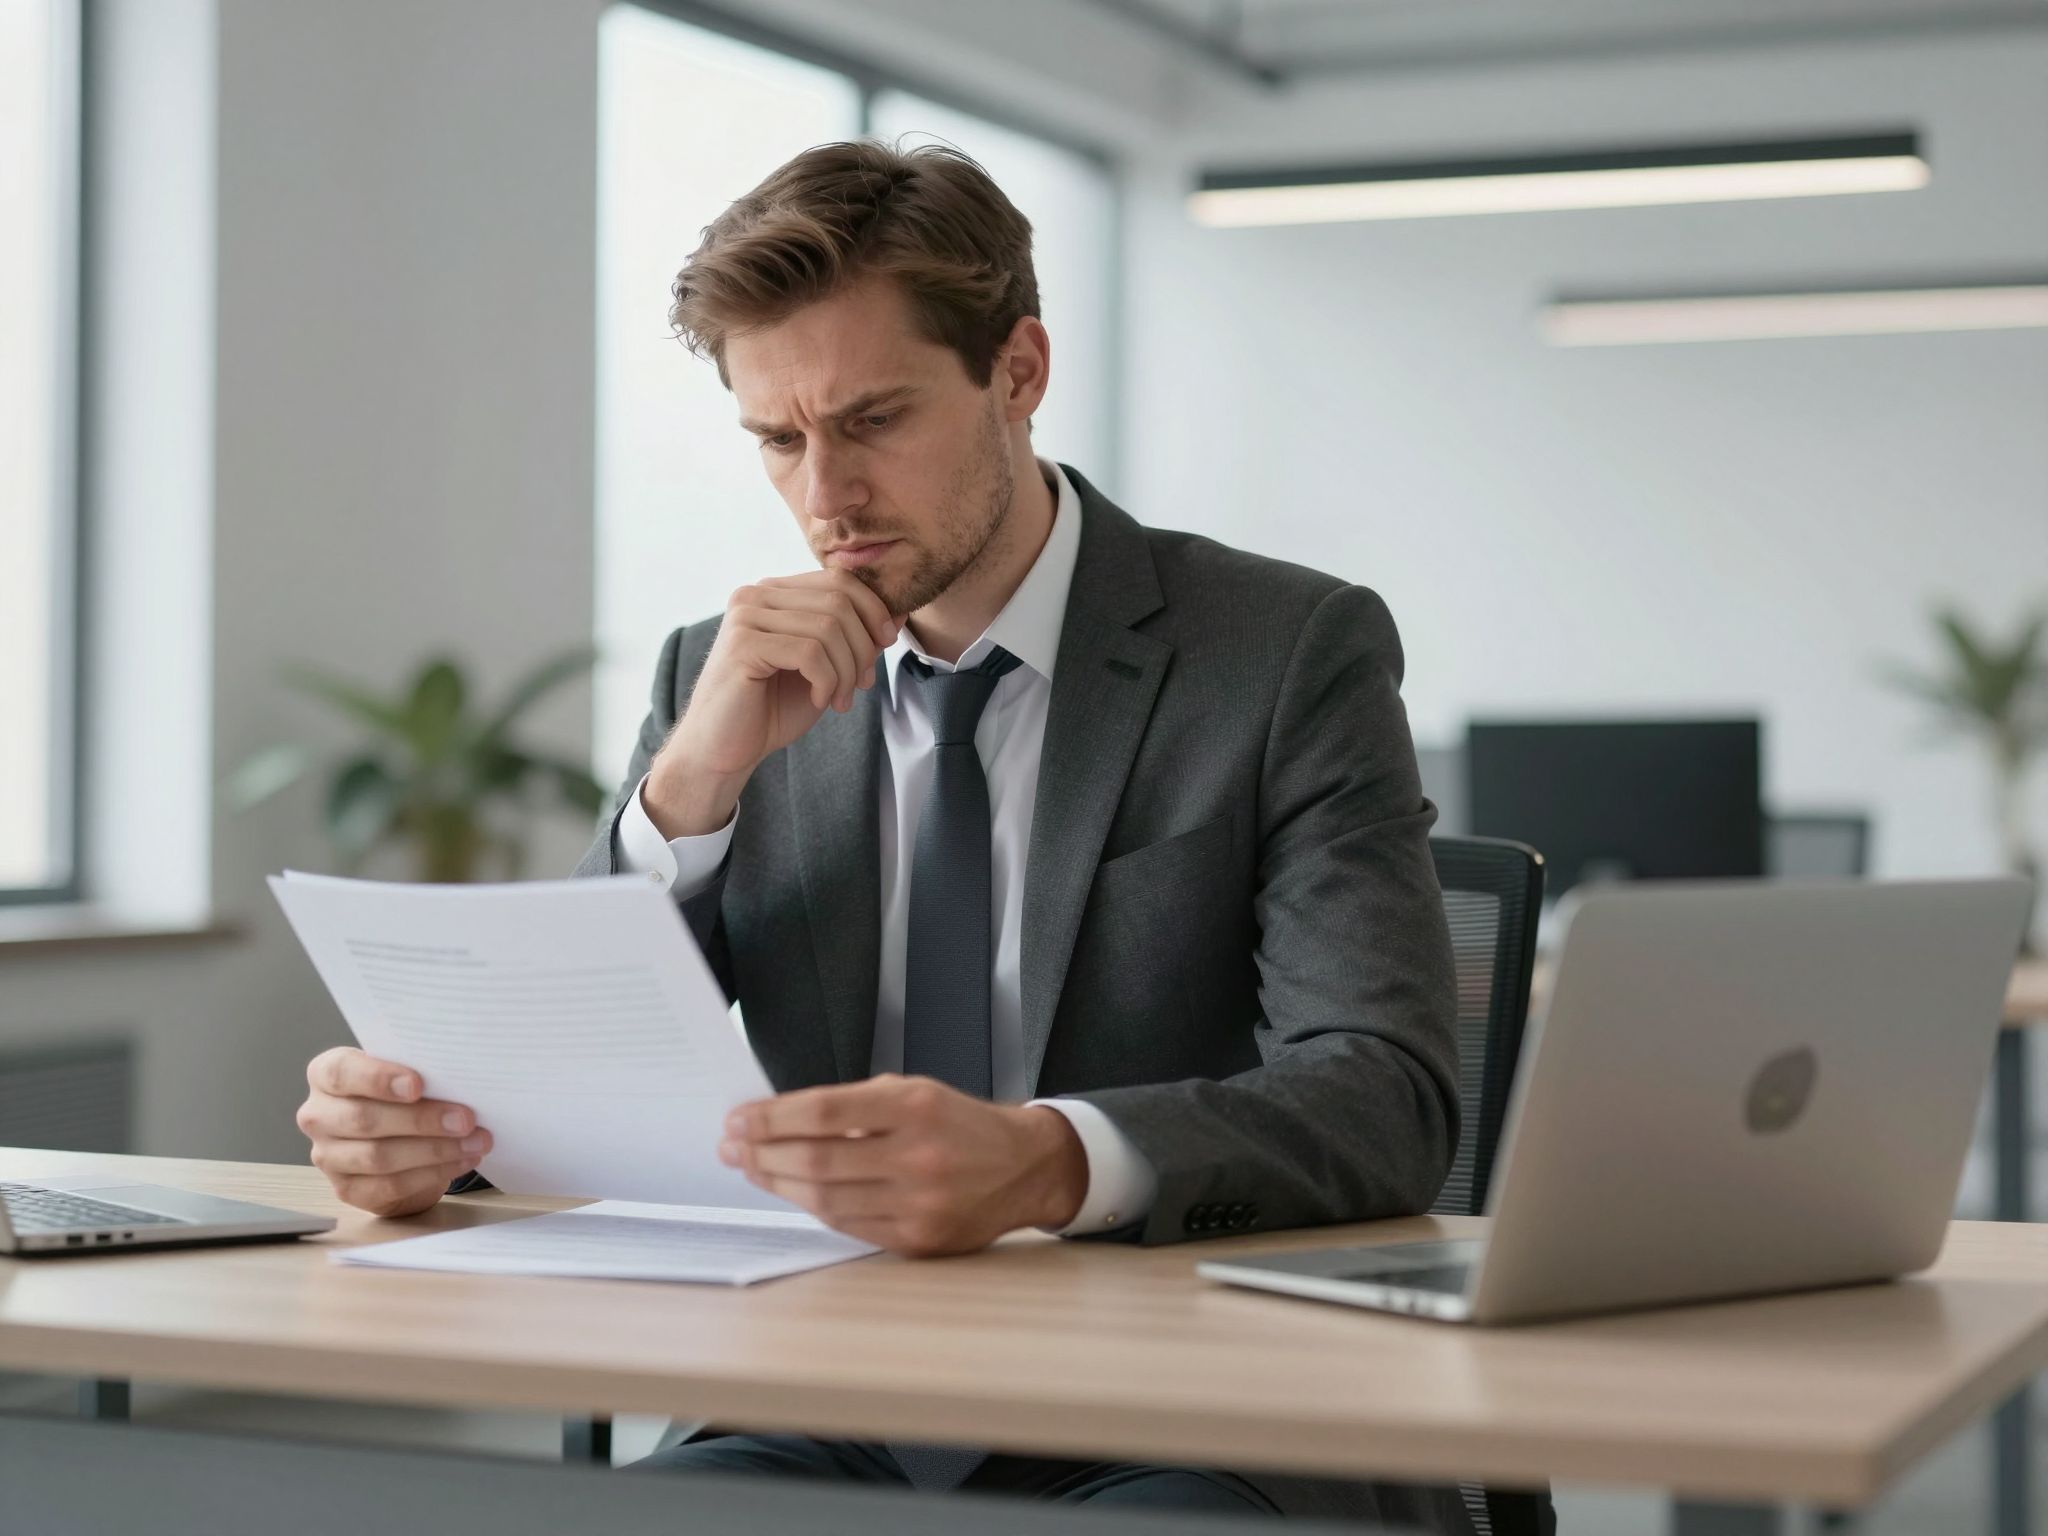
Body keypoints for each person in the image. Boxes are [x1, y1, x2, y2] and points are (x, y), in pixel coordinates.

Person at [294, 138, 1516, 1529]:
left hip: (1186, 1401)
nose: (826, 498)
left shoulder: (1284, 651)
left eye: (873, 421)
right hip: (830, 1396)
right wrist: (684, 795)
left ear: (1019, 373)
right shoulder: (721, 671)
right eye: (778, 439)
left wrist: (1050, 1161)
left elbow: (1387, 1095)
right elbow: (558, 1102)